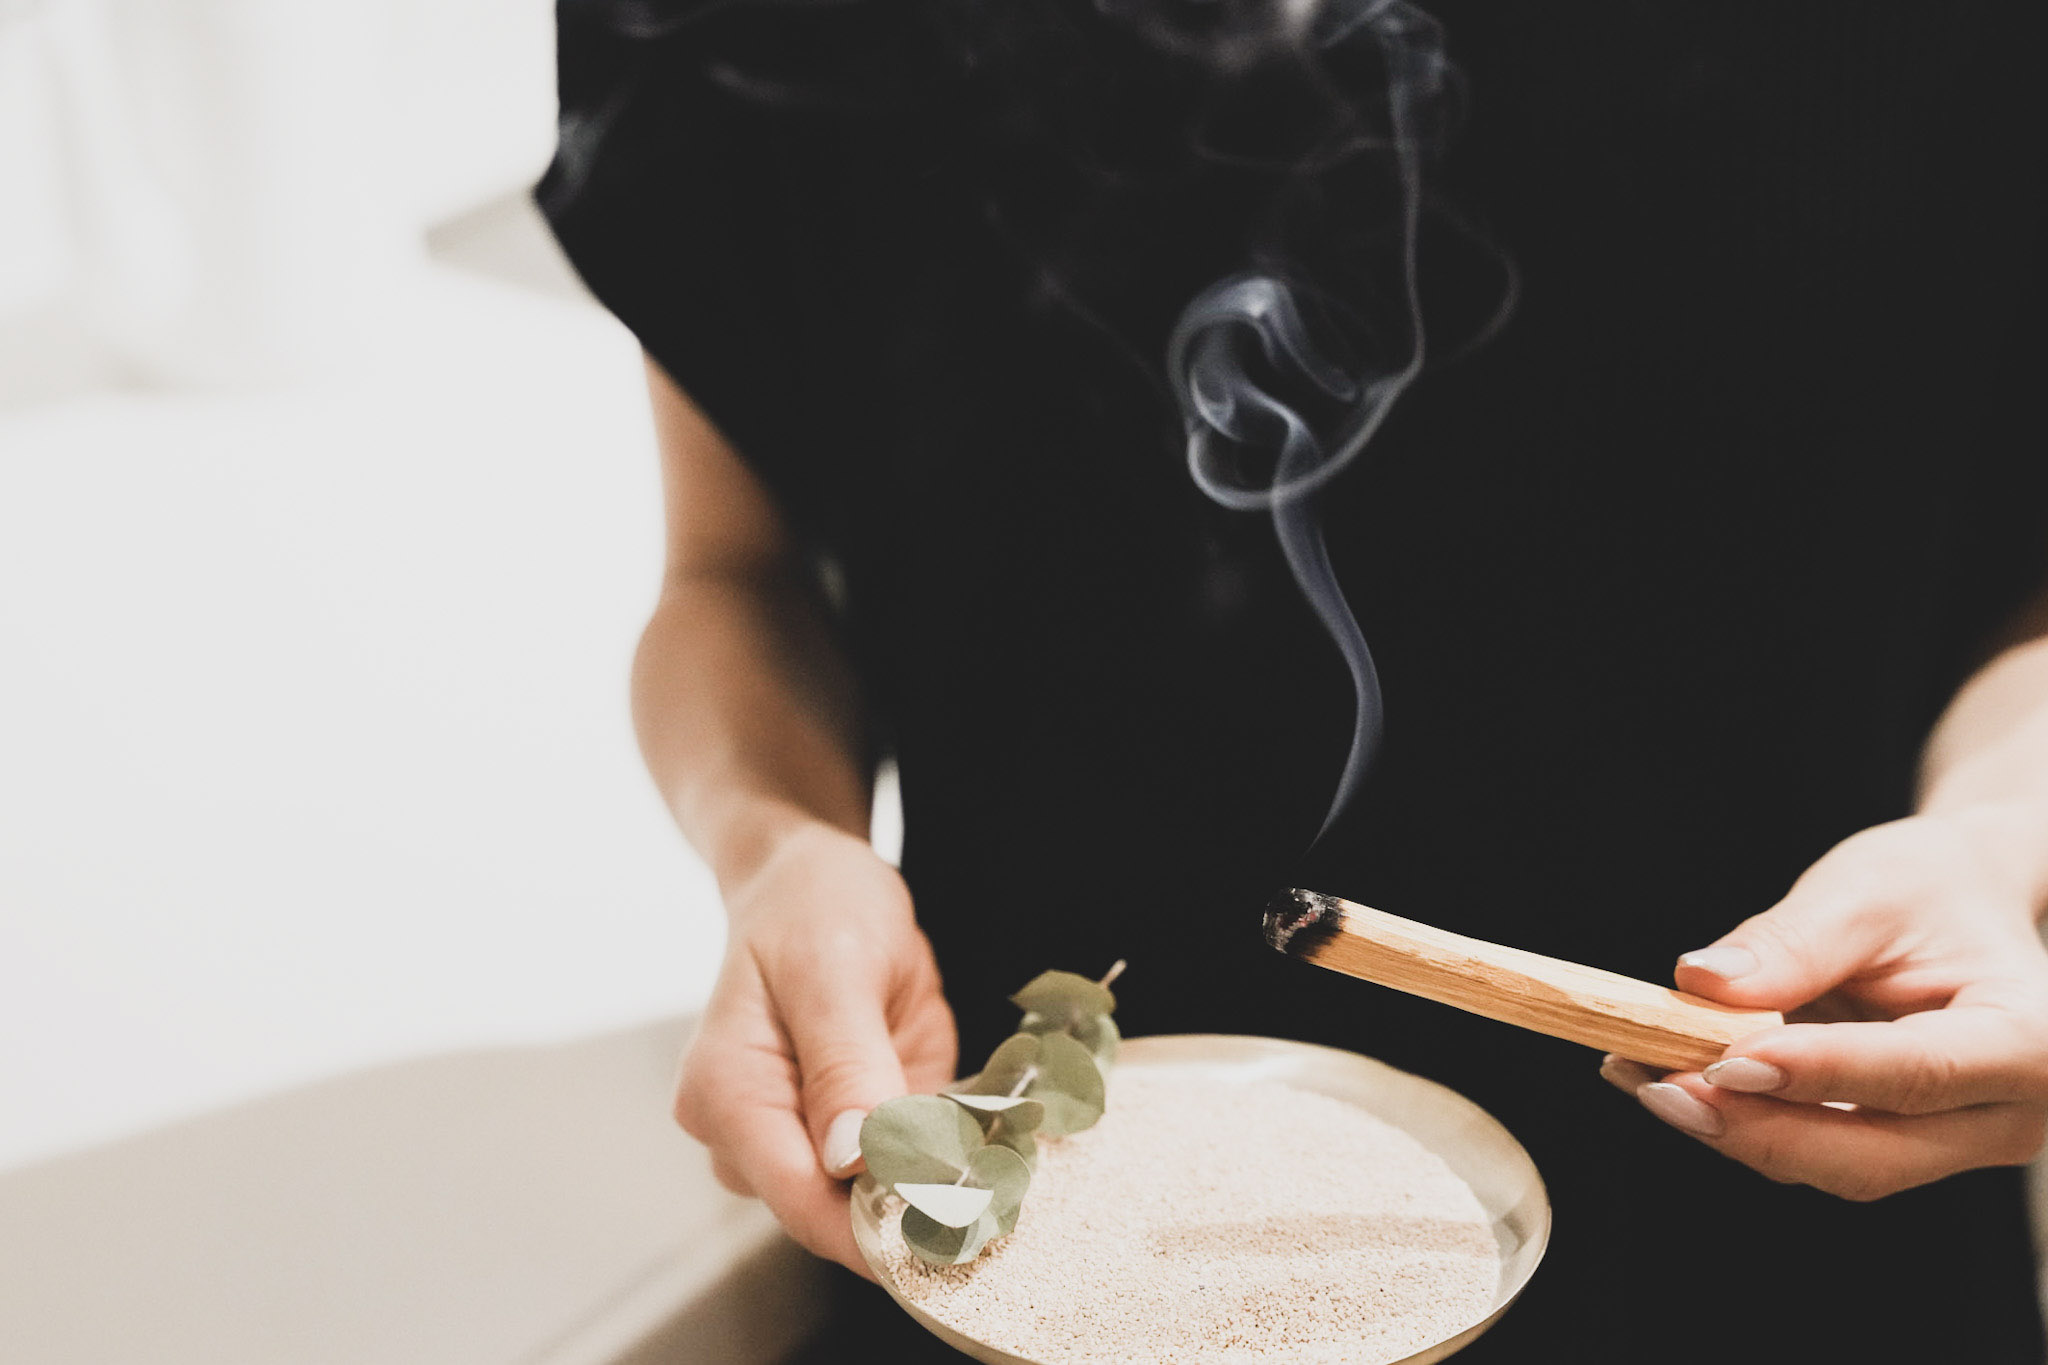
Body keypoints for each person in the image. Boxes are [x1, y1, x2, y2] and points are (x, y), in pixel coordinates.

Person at [538, 1, 2048, 1358]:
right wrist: (780, 845)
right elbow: (732, 575)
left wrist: (1999, 835)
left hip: (1793, 1217)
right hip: (1026, 1216)